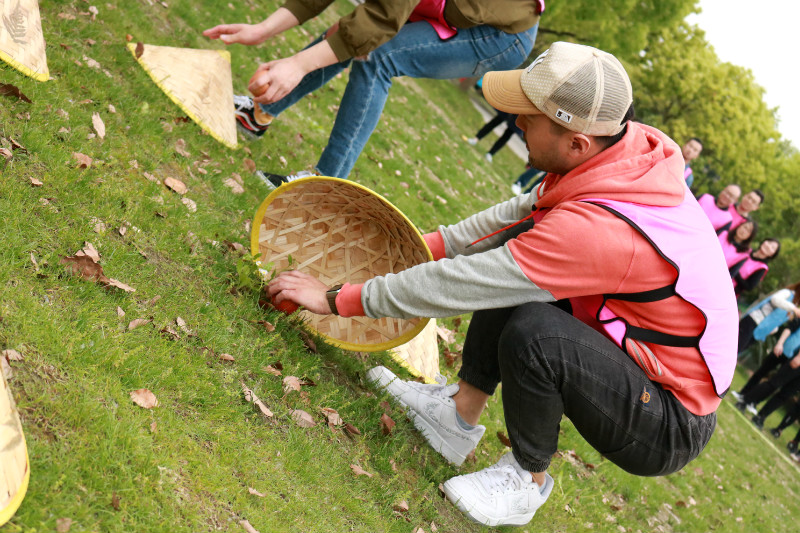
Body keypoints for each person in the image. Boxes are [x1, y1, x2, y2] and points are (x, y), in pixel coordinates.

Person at [267, 42, 738, 527]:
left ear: (577, 142)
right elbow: (509, 220)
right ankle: (457, 416)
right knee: (522, 261)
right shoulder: (618, 154)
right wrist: (410, 244)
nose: (515, 121)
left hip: (669, 419)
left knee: (537, 329)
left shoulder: (602, 229)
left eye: (528, 115)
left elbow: (470, 281)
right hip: (641, 368)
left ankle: (525, 481)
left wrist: (336, 299)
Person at [204, 0, 542, 184]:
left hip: (499, 32)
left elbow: (380, 19)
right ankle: (257, 115)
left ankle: (323, 186)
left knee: (378, 54)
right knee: (345, 33)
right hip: (452, 8)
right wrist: (262, 30)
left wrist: (297, 64)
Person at [735, 320, 800, 417]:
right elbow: (789, 328)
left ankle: (753, 402)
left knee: (775, 384)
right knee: (765, 374)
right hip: (784, 351)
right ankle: (744, 395)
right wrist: (780, 343)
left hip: (791, 357)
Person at [735, 282, 800, 355]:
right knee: (735, 347)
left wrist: (774, 329)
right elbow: (775, 299)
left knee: (738, 350)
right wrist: (794, 308)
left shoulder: (794, 306)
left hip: (759, 331)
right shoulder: (787, 293)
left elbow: (777, 319)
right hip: (753, 320)